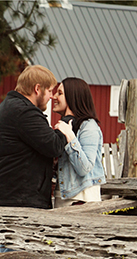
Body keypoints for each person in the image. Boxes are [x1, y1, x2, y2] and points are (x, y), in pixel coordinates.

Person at [0, 65, 73, 209]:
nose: (51, 96)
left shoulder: (11, 107)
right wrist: (67, 121)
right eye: (49, 91)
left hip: (5, 199)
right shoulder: (24, 112)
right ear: (37, 89)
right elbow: (54, 146)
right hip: (14, 203)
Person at [51, 77, 106, 207]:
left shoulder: (89, 126)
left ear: (72, 96)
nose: (54, 97)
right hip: (64, 199)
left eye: (60, 93)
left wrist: (70, 137)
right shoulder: (67, 124)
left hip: (81, 200)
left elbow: (84, 168)